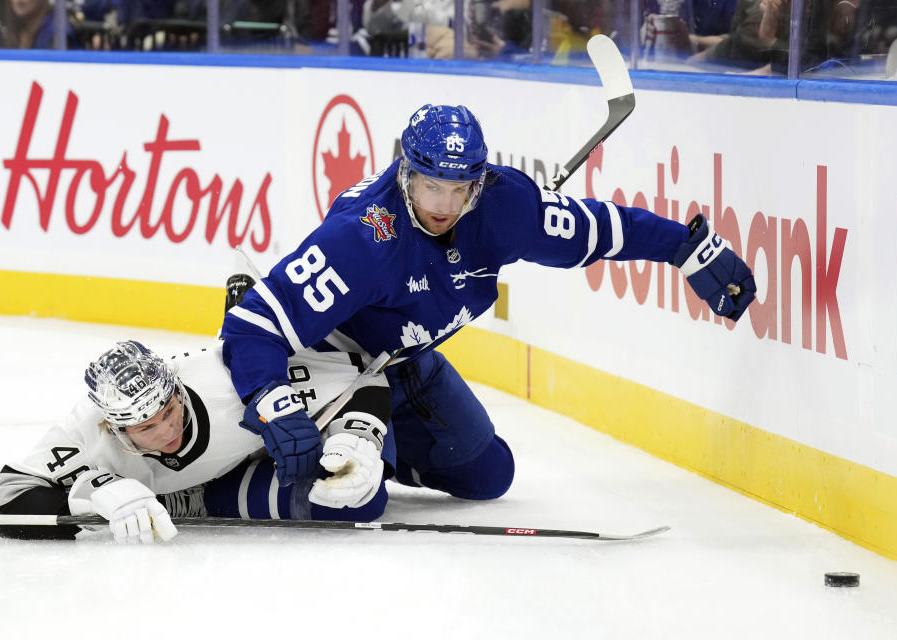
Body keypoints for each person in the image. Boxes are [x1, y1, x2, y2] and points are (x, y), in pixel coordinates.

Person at [220, 104, 757, 514]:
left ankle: (376, 453)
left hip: (406, 362)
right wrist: (271, 401)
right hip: (333, 366)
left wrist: (684, 249)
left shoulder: (502, 203)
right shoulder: (362, 237)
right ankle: (231, 481)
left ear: (479, 181)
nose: (444, 206)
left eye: (459, 189)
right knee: (355, 501)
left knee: (487, 475)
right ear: (405, 172)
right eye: (431, 186)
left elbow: (592, 231)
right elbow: (252, 325)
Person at [0, 279, 392, 543]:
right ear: (114, 428)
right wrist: (96, 491)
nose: (167, 431)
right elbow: (3, 505)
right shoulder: (86, 434)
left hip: (268, 438)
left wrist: (356, 437)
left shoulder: (226, 379)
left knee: (362, 485)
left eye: (168, 409)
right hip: (223, 480)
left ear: (177, 387)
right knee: (353, 502)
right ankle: (193, 498)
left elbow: (364, 375)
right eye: (146, 427)